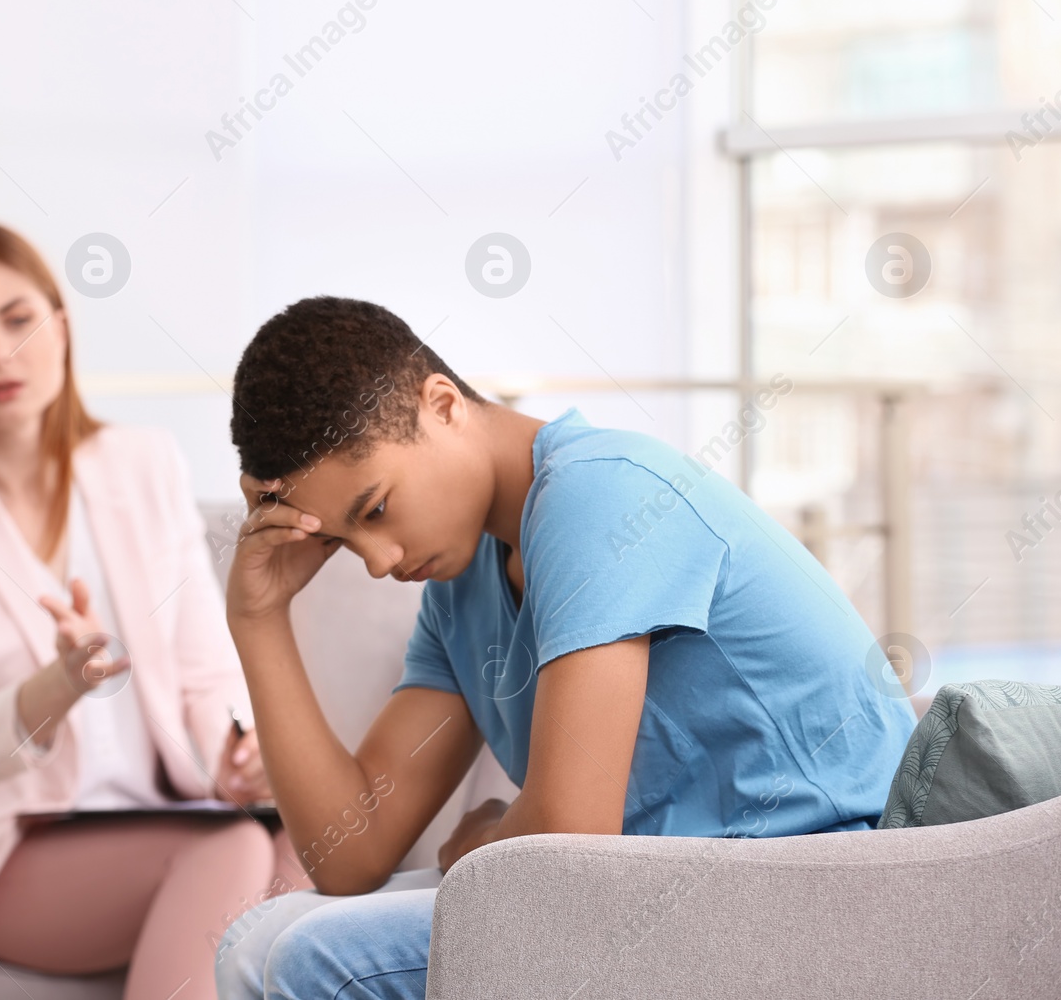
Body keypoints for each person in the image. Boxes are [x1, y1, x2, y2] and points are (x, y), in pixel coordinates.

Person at [213, 295, 918, 999]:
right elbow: (354, 849)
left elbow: (566, 846)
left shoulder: (601, 496)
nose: (376, 558)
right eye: (342, 537)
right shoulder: (461, 586)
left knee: (318, 958)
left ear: (443, 405)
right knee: (253, 942)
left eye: (375, 510)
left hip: (810, 891)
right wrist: (259, 615)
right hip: (658, 894)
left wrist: (491, 838)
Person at [0, 221, 307, 1000]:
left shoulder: (141, 463)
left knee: (304, 852)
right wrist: (55, 686)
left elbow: (203, 664)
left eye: (18, 320)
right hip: (6, 858)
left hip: (164, 814)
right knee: (229, 853)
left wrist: (236, 747)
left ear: (61, 326)